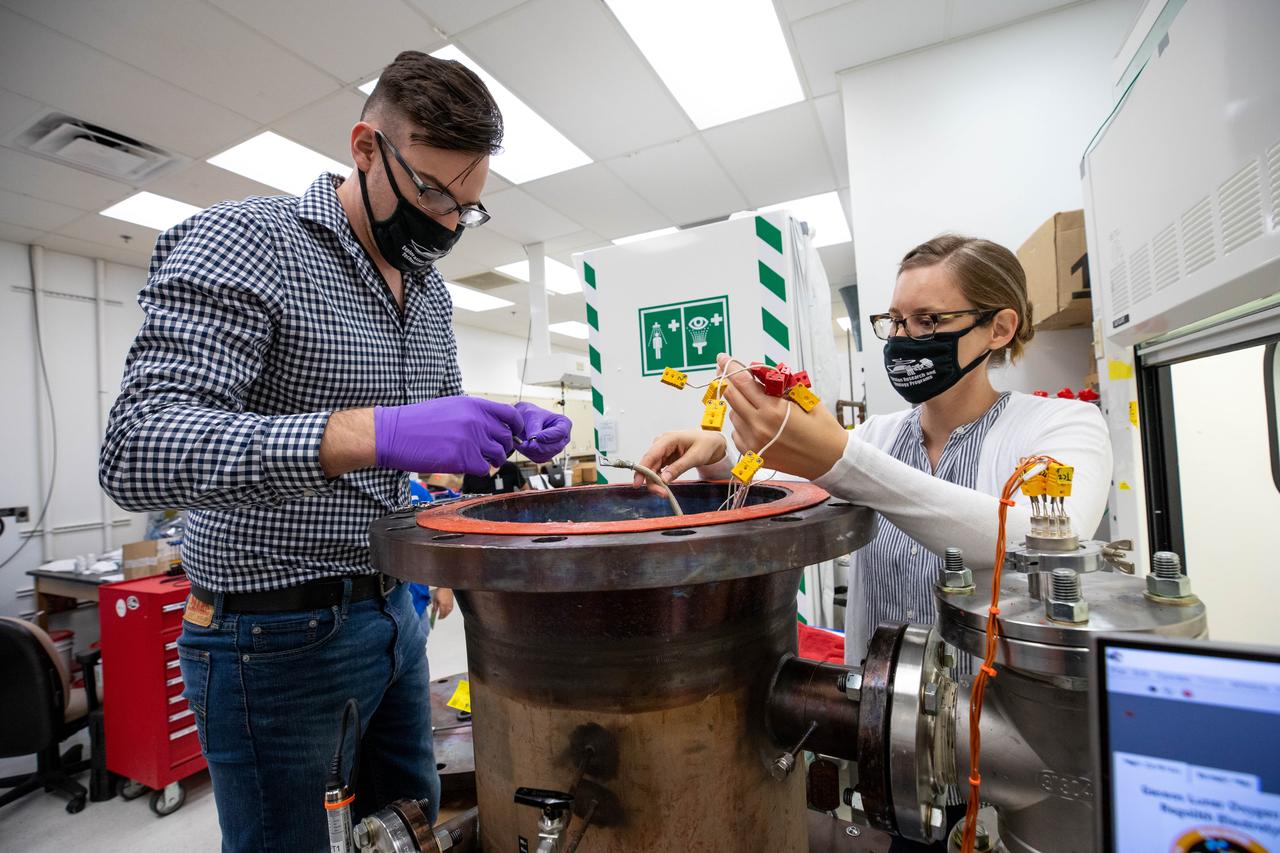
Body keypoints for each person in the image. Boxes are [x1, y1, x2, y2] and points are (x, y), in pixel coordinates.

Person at [99, 51, 570, 852]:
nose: (448, 222)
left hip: (395, 615)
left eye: (468, 205)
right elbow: (138, 449)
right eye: (430, 190)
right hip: (269, 642)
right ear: (364, 147)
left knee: (408, 832)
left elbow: (432, 448)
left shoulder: (427, 292)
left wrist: (496, 437)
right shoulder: (246, 242)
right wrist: (373, 431)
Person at [635, 234, 1112, 668]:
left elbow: (1042, 538)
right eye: (896, 321)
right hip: (876, 716)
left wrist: (840, 459)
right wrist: (717, 450)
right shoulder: (876, 437)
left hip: (994, 725)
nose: (902, 340)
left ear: (999, 328)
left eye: (927, 321)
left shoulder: (1062, 426)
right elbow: (771, 489)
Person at [461, 456, 528, 494]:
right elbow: (464, 497)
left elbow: (525, 489)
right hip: (481, 516)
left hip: (509, 514)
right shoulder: (471, 472)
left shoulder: (510, 467)